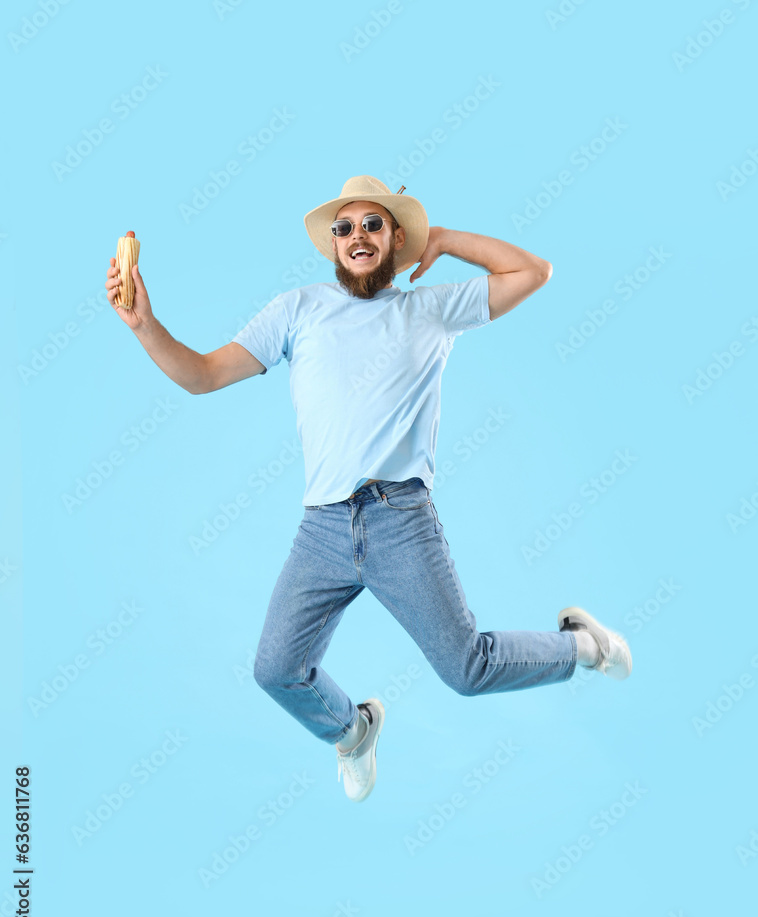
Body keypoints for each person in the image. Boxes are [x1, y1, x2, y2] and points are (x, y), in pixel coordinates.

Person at [105, 175, 632, 804]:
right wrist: (144, 325)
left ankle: (584, 647)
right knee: (275, 670)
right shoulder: (296, 311)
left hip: (399, 519)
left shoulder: (430, 309)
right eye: (344, 227)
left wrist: (445, 239)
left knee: (468, 670)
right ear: (333, 244)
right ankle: (353, 732)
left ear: (396, 238)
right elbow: (202, 375)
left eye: (373, 225)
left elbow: (534, 271)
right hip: (322, 528)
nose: (357, 236)